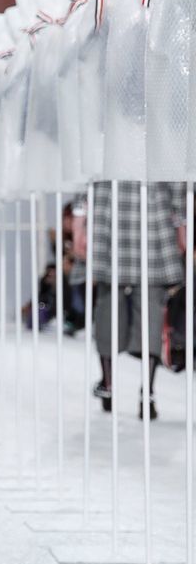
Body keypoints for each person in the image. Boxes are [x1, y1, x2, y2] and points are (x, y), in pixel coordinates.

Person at [90, 180, 186, 420]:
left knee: (109, 309)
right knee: (150, 313)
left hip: (110, 219)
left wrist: (82, 216)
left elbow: (88, 169)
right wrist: (182, 221)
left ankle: (109, 383)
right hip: (153, 222)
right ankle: (148, 392)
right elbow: (175, 179)